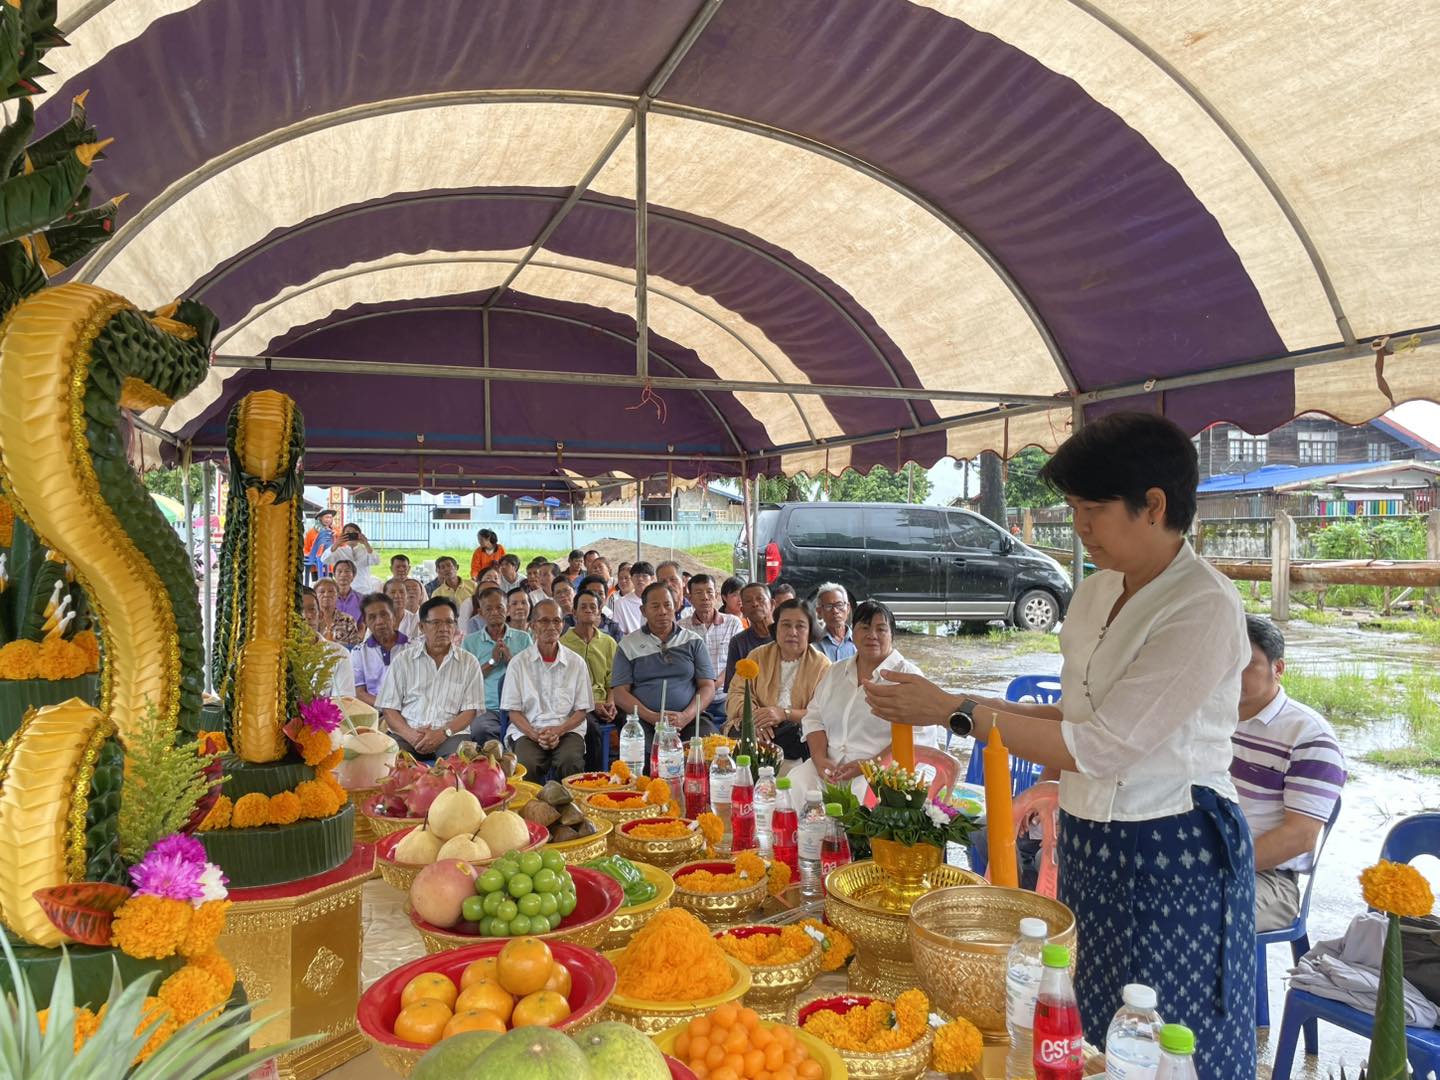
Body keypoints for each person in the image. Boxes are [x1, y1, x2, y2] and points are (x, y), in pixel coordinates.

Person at [862, 411, 1257, 1075]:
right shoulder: (1096, 593)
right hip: (1091, 834)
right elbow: (1068, 723)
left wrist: (956, 709)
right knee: (1087, 1019)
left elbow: (1102, 746)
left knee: (1166, 1035)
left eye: (1092, 509)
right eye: (1073, 507)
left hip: (1172, 845)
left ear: (1152, 506)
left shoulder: (1203, 606)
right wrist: (955, 703)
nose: (1078, 526)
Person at [1232, 616, 1346, 934]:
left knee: (1189, 914)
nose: (1232, 672)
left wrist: (1219, 865)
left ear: (1278, 668)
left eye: (1246, 663)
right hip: (1204, 859)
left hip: (1269, 879)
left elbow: (1301, 835)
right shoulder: (1212, 718)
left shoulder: (1308, 736)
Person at [791, 600, 931, 799]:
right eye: (864, 628)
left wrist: (868, 766)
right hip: (830, 768)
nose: (872, 635)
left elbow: (918, 737)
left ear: (892, 635)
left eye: (881, 629)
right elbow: (814, 717)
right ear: (852, 633)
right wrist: (820, 759)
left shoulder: (908, 677)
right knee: (795, 783)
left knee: (862, 801)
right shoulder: (836, 671)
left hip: (883, 772)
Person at [611, 582, 716, 761]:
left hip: (689, 719)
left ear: (675, 606)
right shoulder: (628, 645)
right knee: (646, 757)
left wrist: (686, 716)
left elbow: (707, 686)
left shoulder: (693, 641)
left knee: (709, 750)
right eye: (655, 606)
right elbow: (620, 693)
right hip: (644, 720)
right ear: (643, 611)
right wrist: (652, 717)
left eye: (667, 605)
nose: (662, 611)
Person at [375, 597, 485, 757]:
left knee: (458, 768)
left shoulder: (469, 662)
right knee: (390, 763)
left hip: (451, 735)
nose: (444, 629)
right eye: (436, 623)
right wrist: (411, 736)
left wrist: (443, 733)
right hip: (408, 734)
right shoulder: (403, 660)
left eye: (449, 622)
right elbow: (389, 708)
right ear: (421, 627)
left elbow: (470, 710)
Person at [725, 598, 829, 767]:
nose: (792, 632)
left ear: (810, 631)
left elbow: (824, 712)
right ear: (776, 628)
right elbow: (736, 693)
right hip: (754, 731)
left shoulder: (822, 666)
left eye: (800, 626)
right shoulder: (757, 656)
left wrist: (784, 714)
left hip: (796, 736)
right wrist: (755, 720)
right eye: (786, 625)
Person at [501, 598, 592, 778]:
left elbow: (581, 711)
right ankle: (531, 806)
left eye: (556, 621)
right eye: (544, 621)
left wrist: (559, 730)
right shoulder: (518, 663)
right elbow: (513, 712)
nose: (551, 626)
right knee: (526, 764)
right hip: (528, 730)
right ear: (533, 626)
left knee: (570, 761)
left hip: (567, 730)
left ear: (563, 625)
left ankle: (568, 805)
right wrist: (535, 735)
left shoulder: (576, 663)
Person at [461, 586, 533, 744]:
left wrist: (510, 660)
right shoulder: (470, 641)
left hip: (519, 706)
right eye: (489, 608)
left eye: (499, 607)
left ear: (507, 610)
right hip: (488, 708)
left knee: (527, 732)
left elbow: (532, 675)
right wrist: (492, 662)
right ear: (481, 613)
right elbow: (466, 680)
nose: (495, 612)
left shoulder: (523, 638)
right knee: (481, 730)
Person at [563, 590, 620, 770]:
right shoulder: (563, 644)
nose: (588, 610)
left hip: (606, 702)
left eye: (593, 607)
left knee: (632, 721)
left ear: (599, 612)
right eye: (583, 607)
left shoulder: (608, 642)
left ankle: (627, 776)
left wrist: (610, 702)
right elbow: (564, 687)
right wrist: (593, 704)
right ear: (574, 612)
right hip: (577, 705)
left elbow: (614, 679)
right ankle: (594, 779)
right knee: (590, 728)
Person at [680, 573, 743, 719]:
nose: (705, 597)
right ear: (690, 599)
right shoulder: (681, 627)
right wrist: (703, 691)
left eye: (709, 592)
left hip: (726, 697)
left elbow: (737, 661)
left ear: (716, 595)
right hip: (694, 699)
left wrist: (714, 685)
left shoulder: (733, 623)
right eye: (698, 593)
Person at [353, 593, 410, 706]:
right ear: (365, 622)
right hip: (376, 710)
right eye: (372, 617)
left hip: (410, 711)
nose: (379, 621)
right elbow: (360, 693)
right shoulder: (359, 652)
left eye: (384, 615)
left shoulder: (413, 647)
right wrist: (387, 708)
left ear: (393, 617)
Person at [299, 586, 357, 698]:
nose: (306, 616)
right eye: (299, 610)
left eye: (311, 609)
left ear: (320, 616)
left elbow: (344, 703)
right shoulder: (278, 654)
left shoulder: (339, 654)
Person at [724, 582, 774, 688]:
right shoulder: (738, 642)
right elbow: (733, 688)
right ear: (743, 611)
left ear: (772, 605)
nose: (755, 604)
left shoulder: (785, 636)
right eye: (748, 601)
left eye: (760, 599)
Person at [325, 523, 380, 593]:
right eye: (347, 533)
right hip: (342, 589)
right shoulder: (338, 551)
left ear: (359, 535)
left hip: (364, 589)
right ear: (343, 535)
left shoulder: (366, 550)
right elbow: (324, 559)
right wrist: (336, 544)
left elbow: (376, 561)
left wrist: (366, 543)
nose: (351, 535)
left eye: (354, 533)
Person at [313, 577, 363, 647]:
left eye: (331, 591)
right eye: (322, 592)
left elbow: (355, 648)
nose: (326, 594)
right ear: (315, 596)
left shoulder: (348, 620)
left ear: (337, 595)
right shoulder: (311, 620)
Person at [815, 582, 856, 662]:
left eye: (839, 605)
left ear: (848, 608)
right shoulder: (815, 646)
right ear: (819, 612)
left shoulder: (860, 641)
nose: (835, 611)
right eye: (828, 606)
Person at [431, 556, 476, 626]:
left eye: (449, 565)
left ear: (456, 567)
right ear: (439, 572)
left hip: (472, 623)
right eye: (443, 567)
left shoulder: (472, 585)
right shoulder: (437, 593)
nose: (446, 569)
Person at [577, 574, 624, 641]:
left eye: (601, 593)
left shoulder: (613, 628)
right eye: (592, 592)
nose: (597, 597)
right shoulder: (569, 622)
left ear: (606, 597)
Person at [612, 560, 653, 634]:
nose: (640, 579)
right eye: (637, 576)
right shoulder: (621, 603)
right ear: (632, 578)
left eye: (644, 576)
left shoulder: (658, 601)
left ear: (652, 578)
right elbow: (618, 632)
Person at [303, 509, 336, 584]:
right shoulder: (312, 532)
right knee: (317, 585)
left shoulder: (334, 531)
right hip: (315, 566)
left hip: (329, 566)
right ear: (320, 518)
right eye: (326, 517)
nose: (328, 520)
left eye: (330, 517)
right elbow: (306, 548)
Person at [330, 559, 364, 624]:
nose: (343, 574)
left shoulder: (360, 599)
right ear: (334, 575)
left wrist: (357, 634)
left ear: (353, 575)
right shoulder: (327, 597)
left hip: (354, 633)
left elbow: (362, 624)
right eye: (339, 571)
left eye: (347, 571)